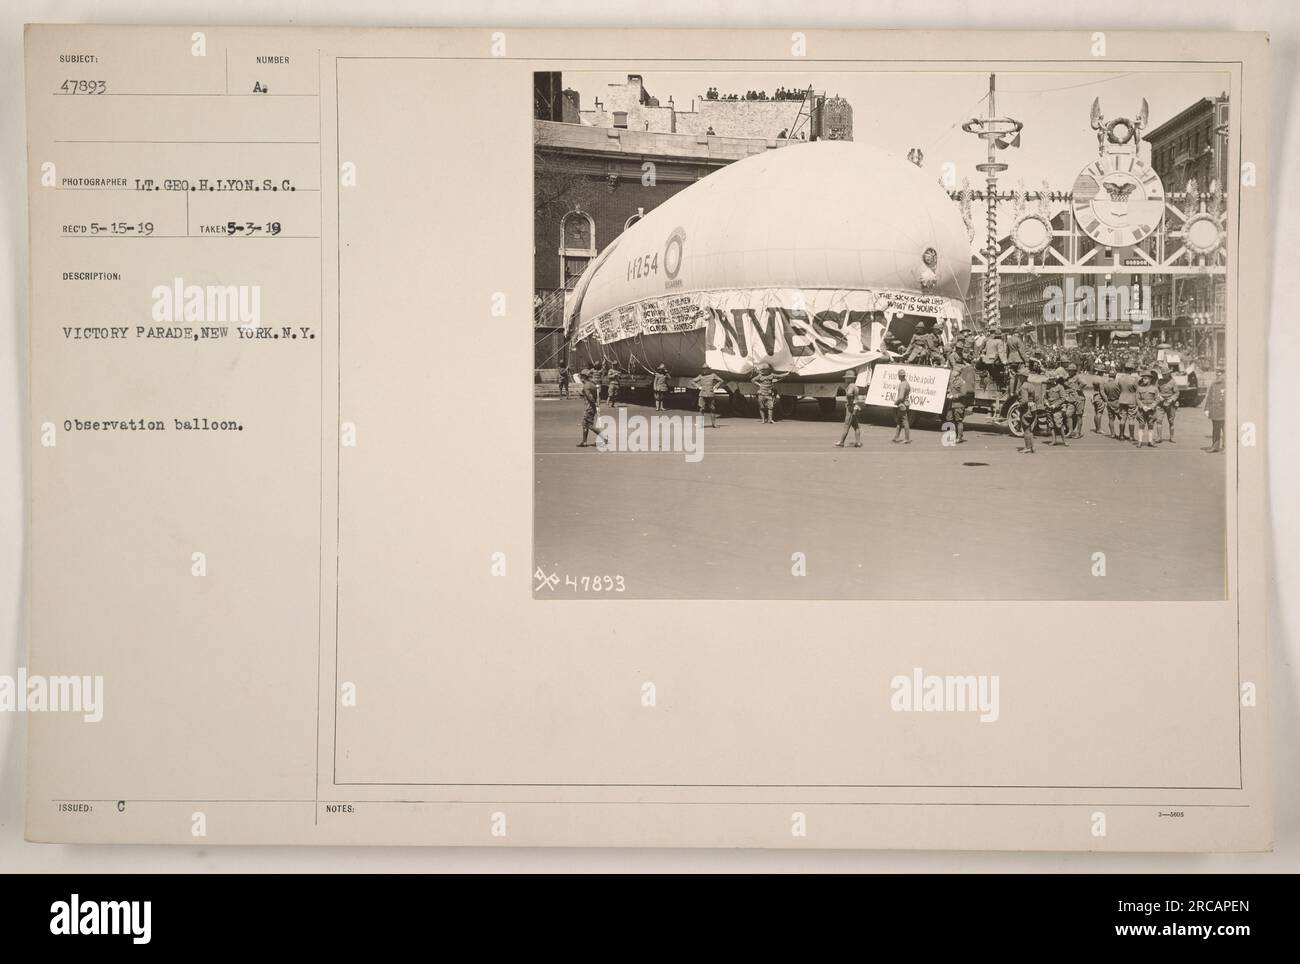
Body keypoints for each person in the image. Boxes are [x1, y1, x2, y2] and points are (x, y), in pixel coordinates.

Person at [1016, 359, 1046, 454]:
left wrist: (1019, 407)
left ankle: (1027, 447)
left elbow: (1024, 401)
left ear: (1022, 377)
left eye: (1019, 376)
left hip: (1026, 410)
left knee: (1026, 430)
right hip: (1032, 409)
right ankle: (1032, 447)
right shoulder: (1031, 385)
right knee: (1030, 429)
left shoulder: (1023, 386)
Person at [577, 369, 608, 448]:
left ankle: (604, 437)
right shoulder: (592, 384)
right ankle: (584, 442)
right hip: (591, 407)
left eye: (581, 376)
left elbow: (590, 397)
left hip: (589, 408)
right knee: (584, 424)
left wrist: (593, 404)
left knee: (589, 425)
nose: (580, 378)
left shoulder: (586, 385)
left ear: (584, 377)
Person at [834, 370, 863, 447]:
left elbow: (849, 394)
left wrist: (849, 402)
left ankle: (841, 442)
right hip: (855, 407)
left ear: (850, 379)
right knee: (856, 426)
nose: (845, 380)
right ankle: (858, 442)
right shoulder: (855, 386)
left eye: (847, 378)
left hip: (850, 408)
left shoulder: (850, 386)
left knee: (846, 425)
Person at [1204, 363, 1227, 453]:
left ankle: (1226, 447)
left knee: (1225, 430)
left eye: (1221, 372)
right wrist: (1206, 408)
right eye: (1217, 372)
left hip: (1224, 411)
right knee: (1215, 429)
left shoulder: (1227, 384)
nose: (1218, 374)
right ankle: (1215, 446)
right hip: (1214, 411)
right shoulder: (1213, 384)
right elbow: (1209, 397)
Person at [1133, 371, 1160, 449]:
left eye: (1146, 378)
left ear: (1150, 379)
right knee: (1141, 425)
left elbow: (1157, 399)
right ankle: (1140, 441)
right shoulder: (1139, 388)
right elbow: (1137, 398)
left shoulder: (1155, 388)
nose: (1144, 380)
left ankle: (1150, 441)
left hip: (1151, 410)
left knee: (1151, 425)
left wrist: (1152, 406)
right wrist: (1142, 406)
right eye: (1143, 378)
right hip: (1142, 410)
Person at [1044, 369, 1070, 447]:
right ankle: (1053, 440)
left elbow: (1063, 398)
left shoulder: (1060, 387)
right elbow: (1045, 397)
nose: (1051, 380)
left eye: (1053, 379)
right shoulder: (1048, 387)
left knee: (1059, 425)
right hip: (1049, 409)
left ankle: (1064, 441)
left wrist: (1055, 405)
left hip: (1057, 409)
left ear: (1056, 379)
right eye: (1050, 379)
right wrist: (1046, 403)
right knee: (1051, 425)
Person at [1115, 360, 1139, 441]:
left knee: (1123, 418)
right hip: (1131, 399)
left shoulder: (1120, 379)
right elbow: (1137, 389)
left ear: (1125, 369)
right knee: (1131, 418)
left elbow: (1118, 389)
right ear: (1132, 370)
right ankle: (1131, 436)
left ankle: (1121, 435)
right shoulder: (1134, 379)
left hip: (1122, 399)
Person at [1156, 366, 1179, 443]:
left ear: (1169, 374)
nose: (1164, 375)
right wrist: (1159, 396)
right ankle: (1159, 437)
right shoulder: (1159, 381)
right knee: (1159, 420)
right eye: (1163, 374)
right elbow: (1156, 391)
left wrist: (1171, 399)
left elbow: (1177, 393)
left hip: (1170, 404)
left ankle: (1172, 437)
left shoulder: (1173, 382)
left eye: (1165, 374)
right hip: (1161, 403)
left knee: (1171, 421)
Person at [891, 368, 912, 444]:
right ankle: (896, 437)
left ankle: (907, 439)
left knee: (904, 421)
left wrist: (896, 402)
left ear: (900, 376)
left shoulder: (902, 384)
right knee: (899, 421)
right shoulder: (906, 383)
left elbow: (900, 397)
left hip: (902, 404)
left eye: (899, 375)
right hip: (904, 404)